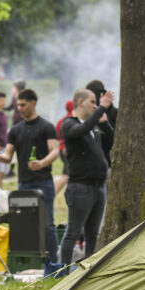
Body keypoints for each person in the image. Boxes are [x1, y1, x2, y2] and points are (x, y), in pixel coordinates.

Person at [0, 88, 61, 268]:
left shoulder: (46, 126)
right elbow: (9, 155)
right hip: (24, 183)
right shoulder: (15, 130)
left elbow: (55, 150)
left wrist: (42, 163)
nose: (19, 109)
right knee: (24, 224)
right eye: (18, 105)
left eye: (23, 105)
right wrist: (1, 158)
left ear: (33, 103)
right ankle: (28, 263)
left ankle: (52, 264)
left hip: (44, 181)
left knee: (47, 224)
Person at [61, 88, 116, 267]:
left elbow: (112, 141)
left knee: (93, 234)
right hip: (80, 187)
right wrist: (102, 108)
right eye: (92, 102)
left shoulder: (94, 126)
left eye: (96, 102)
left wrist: (105, 122)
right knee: (73, 232)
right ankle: (61, 273)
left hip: (98, 187)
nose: (95, 105)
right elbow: (82, 129)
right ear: (81, 102)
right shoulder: (68, 124)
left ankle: (87, 273)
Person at [55, 99, 75, 197]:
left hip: (61, 150)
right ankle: (53, 194)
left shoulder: (61, 121)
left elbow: (55, 136)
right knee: (66, 174)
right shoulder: (73, 120)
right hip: (67, 150)